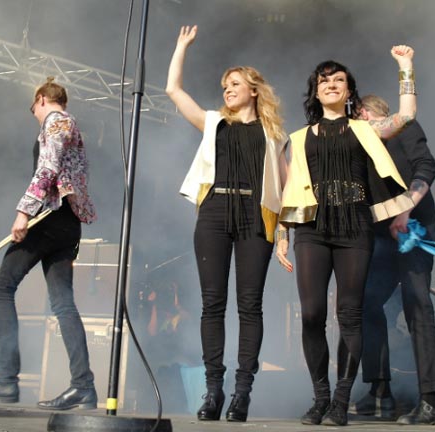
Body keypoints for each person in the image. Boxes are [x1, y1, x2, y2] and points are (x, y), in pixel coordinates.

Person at [275, 46, 417, 426]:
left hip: (354, 227)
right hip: (312, 228)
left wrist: (405, 66)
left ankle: (340, 400)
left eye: (339, 80)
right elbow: (289, 191)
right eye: (325, 80)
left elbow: (405, 116)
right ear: (315, 91)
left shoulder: (365, 129)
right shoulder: (299, 138)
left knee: (350, 314)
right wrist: (281, 235)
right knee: (311, 314)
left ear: (349, 91)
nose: (332, 84)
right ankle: (320, 397)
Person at [165, 25, 288, 422]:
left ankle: (242, 393)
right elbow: (173, 90)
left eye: (235, 84)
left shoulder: (274, 133)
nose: (227, 90)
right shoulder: (214, 122)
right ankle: (213, 390)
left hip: (256, 214)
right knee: (212, 303)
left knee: (250, 305)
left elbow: (285, 188)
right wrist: (181, 47)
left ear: (254, 89)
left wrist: (284, 233)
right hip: (215, 211)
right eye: (224, 86)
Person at [0, 77, 98, 410]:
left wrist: (23, 212)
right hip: (67, 224)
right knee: (63, 303)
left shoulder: (57, 121)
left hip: (48, 219)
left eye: (32, 105)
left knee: (2, 288)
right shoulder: (70, 127)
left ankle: (6, 380)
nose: (32, 112)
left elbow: (47, 168)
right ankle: (83, 386)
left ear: (42, 99)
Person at [348, 94, 435, 425]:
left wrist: (405, 210)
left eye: (357, 114)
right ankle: (379, 391)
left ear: (369, 113)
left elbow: (427, 167)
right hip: (380, 235)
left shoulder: (403, 127)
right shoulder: (362, 146)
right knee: (365, 302)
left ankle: (430, 401)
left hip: (413, 228)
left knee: (417, 304)